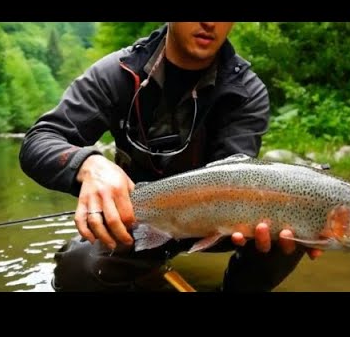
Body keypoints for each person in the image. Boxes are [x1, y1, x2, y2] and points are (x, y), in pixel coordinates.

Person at [19, 22, 322, 292]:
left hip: (220, 222)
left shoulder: (246, 91)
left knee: (291, 233)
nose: (209, 23)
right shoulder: (118, 73)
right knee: (76, 272)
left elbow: (237, 173)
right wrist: (88, 165)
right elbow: (39, 140)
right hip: (140, 219)